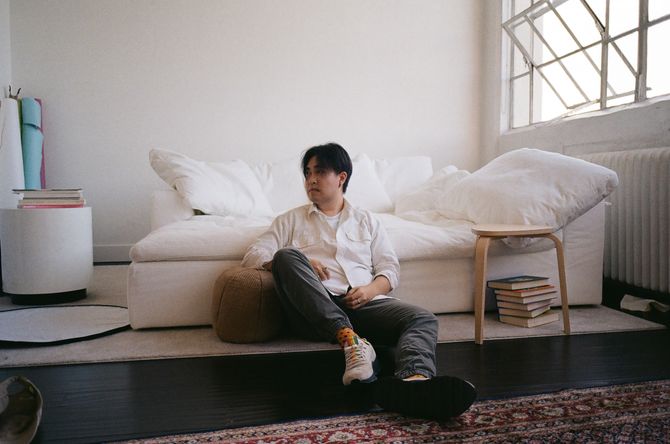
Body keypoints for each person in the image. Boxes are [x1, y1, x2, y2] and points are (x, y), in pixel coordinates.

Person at [242, 142, 476, 420]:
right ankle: (350, 340)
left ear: (341, 177)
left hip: (362, 305)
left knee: (422, 318)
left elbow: (390, 268)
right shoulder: (289, 220)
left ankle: (414, 383)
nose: (311, 179)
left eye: (320, 171)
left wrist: (369, 290)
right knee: (286, 255)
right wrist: (303, 261)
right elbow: (253, 255)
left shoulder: (367, 220)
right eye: (307, 173)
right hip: (313, 311)